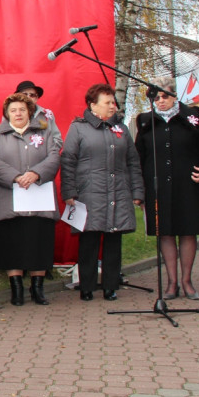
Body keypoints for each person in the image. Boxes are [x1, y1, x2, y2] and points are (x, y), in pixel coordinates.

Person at [134, 77, 199, 300]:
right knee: (166, 232)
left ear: (174, 96)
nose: (160, 101)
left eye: (165, 96)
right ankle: (171, 283)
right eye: (155, 98)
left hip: (188, 183)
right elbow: (138, 157)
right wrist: (139, 188)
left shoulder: (191, 116)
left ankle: (186, 280)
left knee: (187, 230)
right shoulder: (145, 121)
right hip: (158, 186)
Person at [60, 83, 144, 301]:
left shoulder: (121, 129)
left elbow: (133, 163)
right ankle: (86, 287)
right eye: (107, 103)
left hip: (118, 194)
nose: (112, 106)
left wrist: (137, 192)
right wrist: (69, 191)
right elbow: (68, 161)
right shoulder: (78, 128)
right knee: (89, 242)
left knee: (113, 242)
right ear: (93, 106)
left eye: (113, 102)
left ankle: (110, 286)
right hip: (89, 195)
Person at [0, 93, 62, 306]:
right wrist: (16, 177)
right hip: (10, 199)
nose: (18, 113)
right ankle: (16, 289)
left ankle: (38, 288)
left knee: (39, 242)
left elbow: (54, 155)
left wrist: (36, 173)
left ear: (29, 112)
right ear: (6, 114)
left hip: (40, 200)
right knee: (13, 244)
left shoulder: (44, 130)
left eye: (22, 109)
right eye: (13, 110)